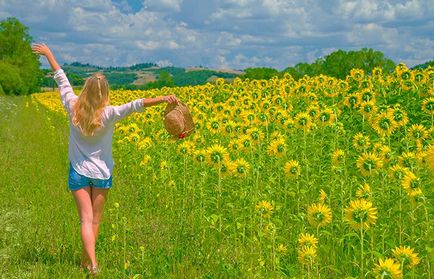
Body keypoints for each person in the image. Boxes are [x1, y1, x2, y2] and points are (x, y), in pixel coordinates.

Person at [31, 43, 178, 276]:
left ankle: (89, 263)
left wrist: (48, 54)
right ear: (105, 94)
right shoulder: (109, 114)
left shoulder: (73, 107)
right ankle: (91, 264)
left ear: (86, 91)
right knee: (95, 222)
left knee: (84, 221)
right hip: (102, 174)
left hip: (78, 172)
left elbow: (62, 79)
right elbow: (137, 104)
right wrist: (163, 99)